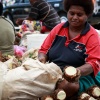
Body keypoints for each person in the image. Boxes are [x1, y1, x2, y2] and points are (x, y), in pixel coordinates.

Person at [38, 0, 100, 99]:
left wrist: (73, 73)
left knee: (68, 86)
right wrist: (42, 60)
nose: (74, 17)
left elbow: (93, 64)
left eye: (79, 14)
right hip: (54, 72)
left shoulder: (92, 35)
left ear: (87, 15)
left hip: (81, 76)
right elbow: (43, 50)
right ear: (67, 12)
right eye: (72, 13)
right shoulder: (58, 29)